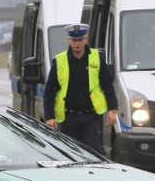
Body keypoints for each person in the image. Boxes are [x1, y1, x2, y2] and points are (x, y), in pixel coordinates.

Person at [44, 23, 118, 154]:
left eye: (80, 40)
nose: (77, 43)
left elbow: (107, 84)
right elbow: (50, 91)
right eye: (74, 40)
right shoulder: (60, 61)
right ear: (69, 40)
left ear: (86, 39)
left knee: (93, 152)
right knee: (72, 154)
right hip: (69, 117)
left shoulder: (97, 58)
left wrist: (112, 110)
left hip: (91, 116)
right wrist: (49, 117)